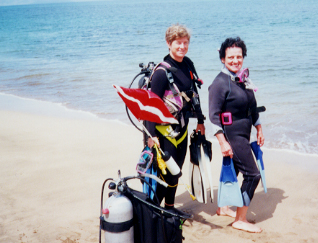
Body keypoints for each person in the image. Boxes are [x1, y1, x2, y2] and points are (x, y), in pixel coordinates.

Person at [208, 37, 264, 233]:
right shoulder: (219, 83)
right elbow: (213, 116)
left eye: (239, 56)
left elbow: (253, 105)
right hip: (232, 135)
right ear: (223, 58)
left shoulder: (242, 78)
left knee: (235, 170)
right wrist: (222, 142)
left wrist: (258, 127)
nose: (235, 60)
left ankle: (223, 207)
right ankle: (240, 219)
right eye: (230, 57)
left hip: (245, 132)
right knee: (252, 174)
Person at [146, 24, 205, 210]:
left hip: (182, 128)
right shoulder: (161, 73)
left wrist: (201, 121)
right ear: (168, 43)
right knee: (166, 173)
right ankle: (154, 210)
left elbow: (194, 93)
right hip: (163, 132)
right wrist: (151, 135)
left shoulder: (187, 63)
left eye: (185, 42)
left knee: (177, 171)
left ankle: (170, 208)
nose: (182, 47)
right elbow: (150, 105)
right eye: (178, 43)